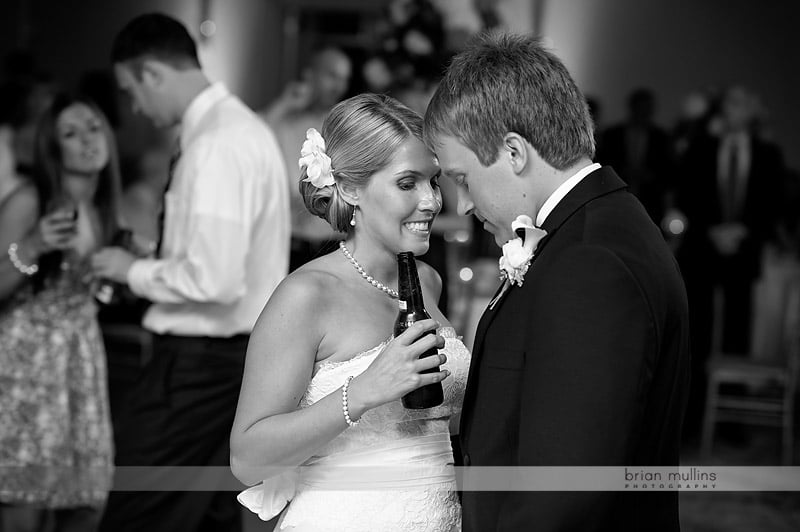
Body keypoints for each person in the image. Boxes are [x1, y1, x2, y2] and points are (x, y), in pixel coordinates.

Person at [423, 32, 690, 531]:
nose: (461, 204)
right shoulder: (598, 228)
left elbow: (562, 492)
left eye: (461, 179)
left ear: (513, 152)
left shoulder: (590, 262)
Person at [231, 93, 469, 532]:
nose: (432, 201)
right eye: (407, 183)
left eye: (433, 181)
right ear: (350, 189)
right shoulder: (306, 295)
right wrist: (361, 392)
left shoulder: (429, 282)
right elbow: (246, 459)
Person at [90, 13, 290, 532]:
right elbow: (220, 256)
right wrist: (159, 252)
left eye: (132, 89)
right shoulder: (241, 128)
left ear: (153, 72)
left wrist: (130, 270)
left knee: (136, 515)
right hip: (230, 363)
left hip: (197, 368)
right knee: (208, 518)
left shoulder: (217, 143)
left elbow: (216, 281)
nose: (134, 106)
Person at [0, 92, 120, 531]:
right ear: (53, 150)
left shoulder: (103, 206)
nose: (88, 140)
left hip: (81, 357)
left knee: (86, 503)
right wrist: (31, 246)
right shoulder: (29, 202)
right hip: (25, 361)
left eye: (93, 127)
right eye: (71, 134)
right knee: (24, 504)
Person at [259, 46, 352, 271]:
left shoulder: (346, 126)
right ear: (310, 75)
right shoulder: (285, 122)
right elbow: (249, 138)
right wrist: (283, 104)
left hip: (335, 245)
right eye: (332, 75)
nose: (338, 86)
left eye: (344, 79)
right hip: (289, 244)